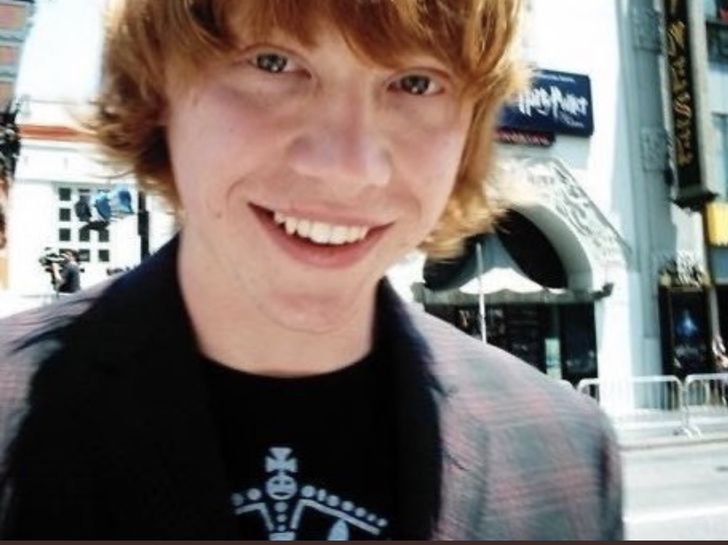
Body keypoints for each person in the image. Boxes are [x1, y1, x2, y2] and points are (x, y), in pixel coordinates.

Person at [0, 0, 622, 539]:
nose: (348, 168)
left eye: (415, 82)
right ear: (158, 84)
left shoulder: (566, 454)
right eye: (274, 62)